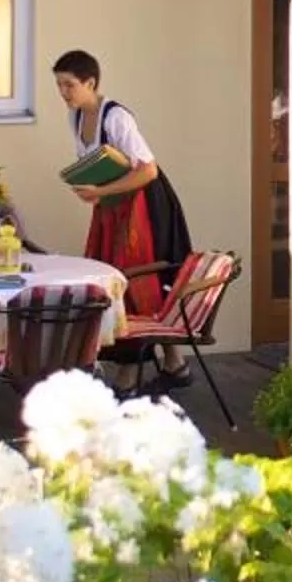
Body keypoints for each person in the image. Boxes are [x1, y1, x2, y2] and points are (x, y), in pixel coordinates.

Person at [53, 49, 195, 386]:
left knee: (135, 282)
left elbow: (148, 170)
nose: (63, 92)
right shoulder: (74, 118)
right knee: (111, 279)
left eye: (69, 85)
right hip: (113, 207)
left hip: (144, 208)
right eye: (59, 85)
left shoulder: (116, 118)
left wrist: (100, 192)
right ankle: (175, 364)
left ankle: (130, 371)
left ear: (91, 82)